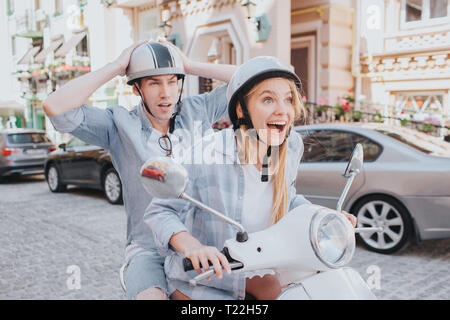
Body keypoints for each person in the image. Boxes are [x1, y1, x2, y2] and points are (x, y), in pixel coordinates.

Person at [144, 56, 357, 300]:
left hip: (258, 265)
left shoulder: (288, 147)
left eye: (288, 99)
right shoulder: (211, 152)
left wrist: (326, 218)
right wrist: (194, 247)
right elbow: (160, 211)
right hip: (204, 279)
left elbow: (287, 198)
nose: (282, 110)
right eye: (268, 99)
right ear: (240, 109)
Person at [43, 40, 237, 300]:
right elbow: (55, 106)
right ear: (137, 88)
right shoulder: (118, 123)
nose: (166, 93)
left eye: (172, 81)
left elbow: (254, 80)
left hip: (201, 244)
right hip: (149, 249)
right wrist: (116, 67)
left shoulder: (198, 110)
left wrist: (190, 65)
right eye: (154, 83)